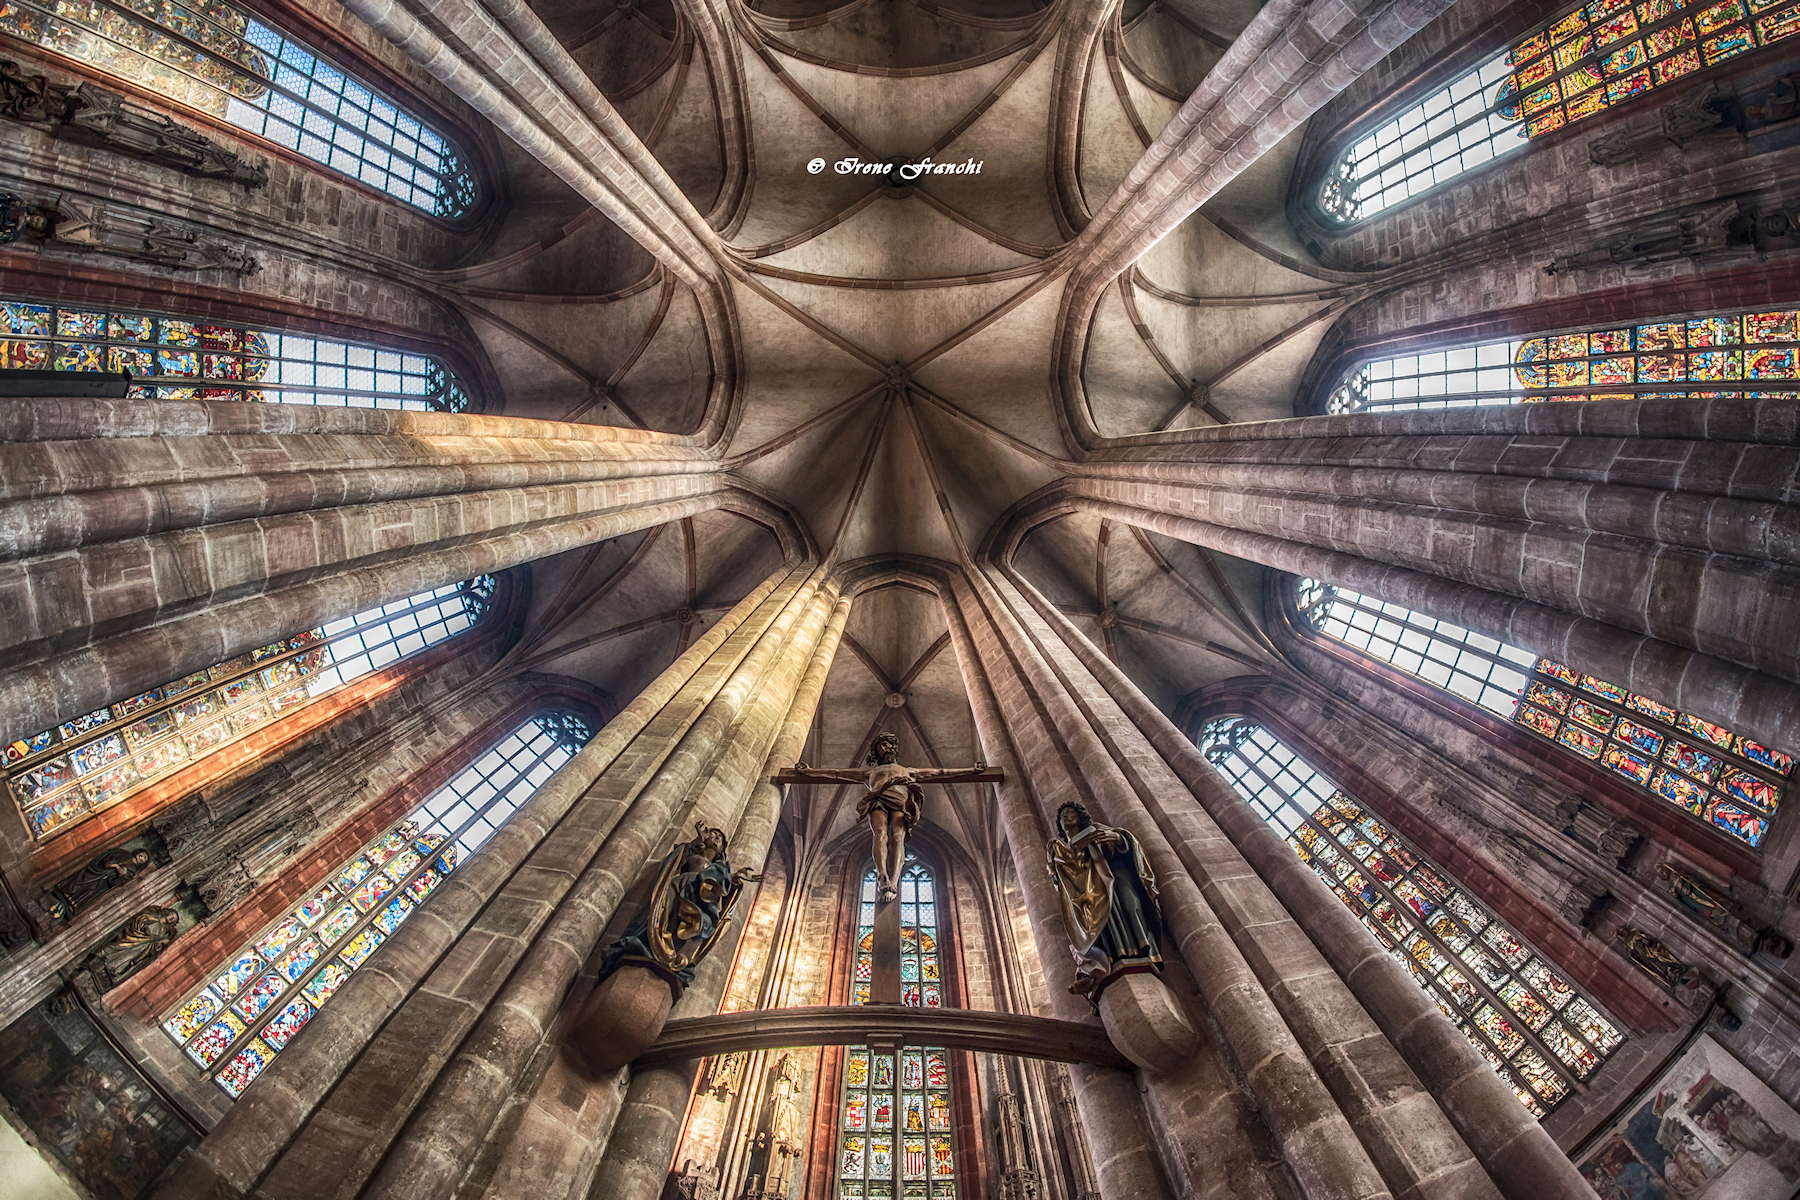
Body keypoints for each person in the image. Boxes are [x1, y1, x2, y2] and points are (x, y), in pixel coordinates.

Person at [785, 733, 987, 900]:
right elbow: (837, 773)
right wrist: (810, 772)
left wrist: (970, 770)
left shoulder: (907, 771)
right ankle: (882, 875)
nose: (884, 748)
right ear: (877, 752)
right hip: (878, 800)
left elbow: (941, 773)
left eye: (887, 744)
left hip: (900, 801)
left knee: (898, 838)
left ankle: (894, 879)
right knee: (880, 835)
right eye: (880, 746)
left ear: (893, 748)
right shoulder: (870, 773)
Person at [1046, 801, 1162, 999]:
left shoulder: (1096, 831)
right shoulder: (1061, 850)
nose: (1065, 817)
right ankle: (1097, 967)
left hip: (1112, 881)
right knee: (1094, 930)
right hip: (1089, 897)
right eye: (1062, 816)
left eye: (1070, 813)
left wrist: (1117, 837)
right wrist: (1054, 863)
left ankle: (1141, 951)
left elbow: (1126, 842)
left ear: (1080, 816)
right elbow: (1061, 883)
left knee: (1129, 907)